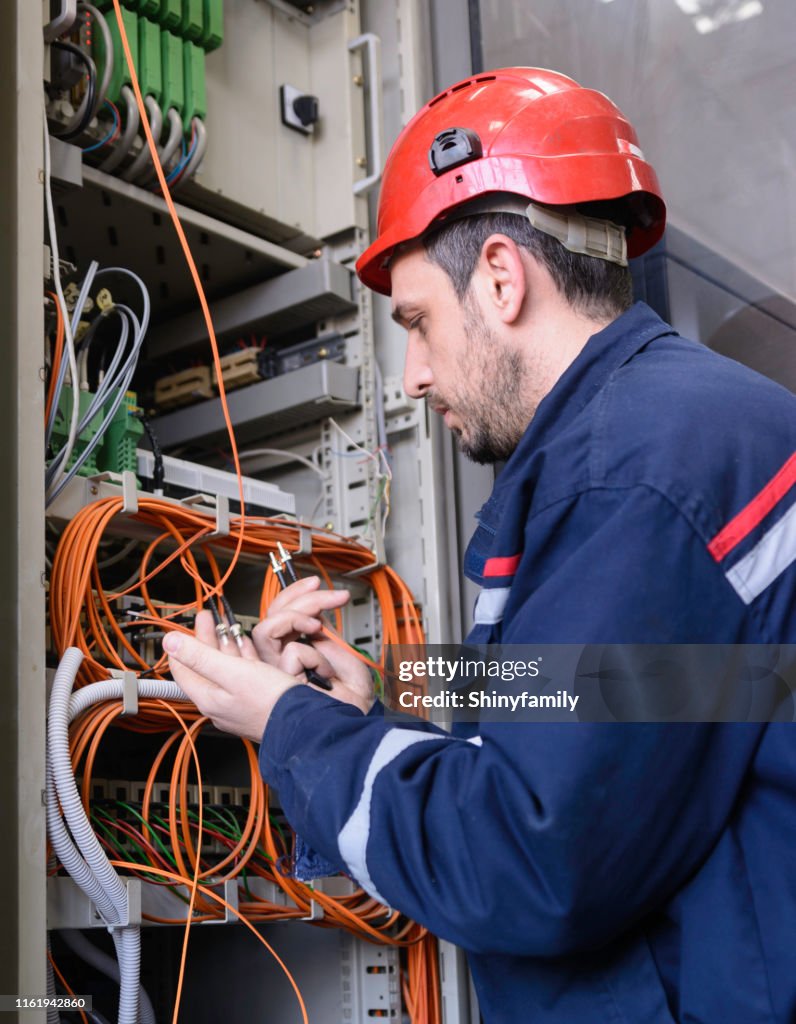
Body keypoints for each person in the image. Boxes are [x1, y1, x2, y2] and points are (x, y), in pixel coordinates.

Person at [163, 68, 796, 1022]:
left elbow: (540, 858)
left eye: (417, 322)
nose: (412, 375)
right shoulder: (678, 432)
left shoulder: (633, 471)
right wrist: (382, 696)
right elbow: (653, 702)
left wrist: (290, 724)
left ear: (501, 278)